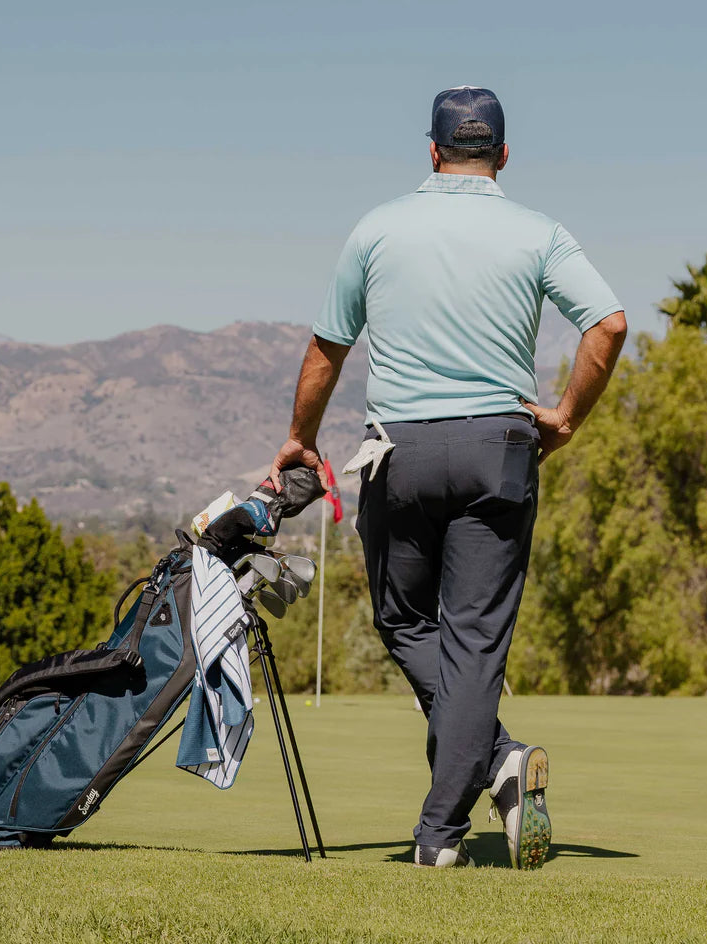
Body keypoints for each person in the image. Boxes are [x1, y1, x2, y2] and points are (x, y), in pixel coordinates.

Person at [268, 86, 627, 869]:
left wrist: (300, 440)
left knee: (403, 621)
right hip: (498, 448)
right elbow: (610, 323)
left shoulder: (378, 226)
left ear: (431, 151)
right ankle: (494, 762)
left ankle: (440, 833)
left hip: (397, 454)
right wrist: (564, 416)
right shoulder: (539, 232)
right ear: (502, 155)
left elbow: (328, 348)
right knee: (473, 643)